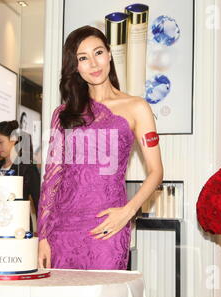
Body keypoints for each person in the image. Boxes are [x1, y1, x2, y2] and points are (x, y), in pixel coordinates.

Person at [37, 26, 163, 270]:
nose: (94, 64)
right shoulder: (63, 114)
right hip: (62, 229)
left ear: (110, 54)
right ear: (75, 66)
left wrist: (128, 212)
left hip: (109, 225)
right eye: (83, 58)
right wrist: (42, 236)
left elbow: (156, 171)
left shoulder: (137, 107)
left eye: (98, 53)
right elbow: (52, 179)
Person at [0, 120, 41, 216]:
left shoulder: (26, 167)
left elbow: (38, 199)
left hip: (19, 222)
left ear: (13, 140)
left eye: (0, 142)